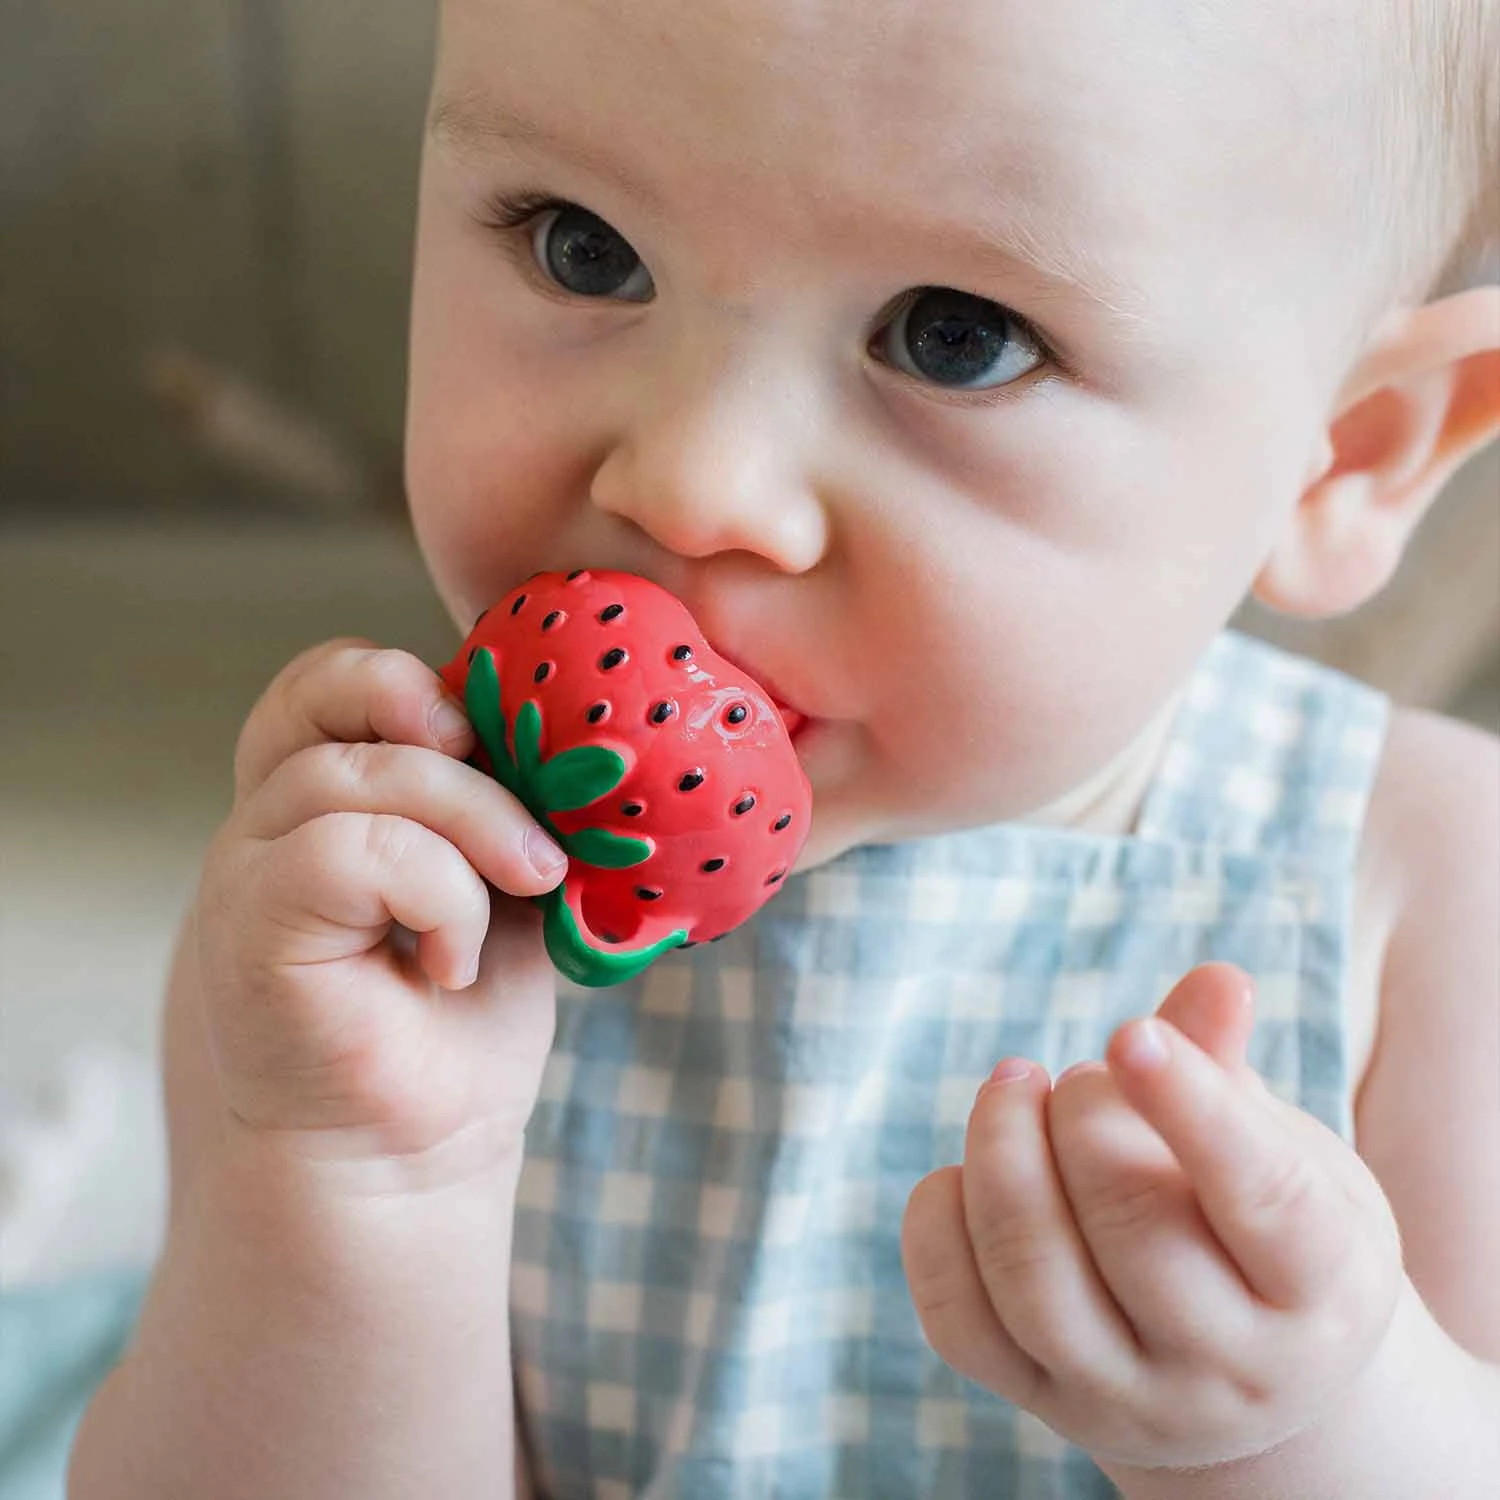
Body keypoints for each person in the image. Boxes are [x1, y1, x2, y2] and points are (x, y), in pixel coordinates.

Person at [69, 0, 1500, 1495]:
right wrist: (358, 1187)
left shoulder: (1423, 902)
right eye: (583, 244)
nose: (693, 481)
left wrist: (1307, 1424)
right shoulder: (378, 902)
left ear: (1348, 455)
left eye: (958, 339)